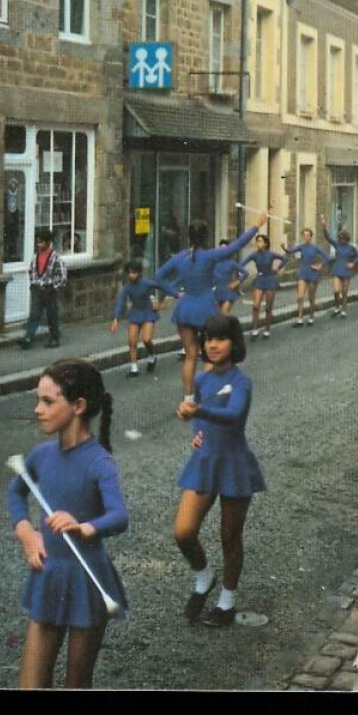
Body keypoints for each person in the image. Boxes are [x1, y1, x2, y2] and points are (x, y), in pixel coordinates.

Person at [7, 360, 128, 689]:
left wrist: (85, 526)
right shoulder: (41, 455)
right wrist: (26, 533)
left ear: (78, 406)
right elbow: (16, 493)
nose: (38, 410)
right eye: (38, 400)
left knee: (76, 683)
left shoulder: (99, 461)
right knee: (30, 685)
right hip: (49, 576)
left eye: (48, 402)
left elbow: (119, 515)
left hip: (87, 580)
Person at [174, 314, 266, 627]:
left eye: (220, 339)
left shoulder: (242, 382)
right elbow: (198, 416)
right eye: (208, 339)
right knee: (183, 532)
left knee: (230, 536)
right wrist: (196, 430)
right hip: (206, 460)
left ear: (233, 343)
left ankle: (226, 602)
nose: (212, 345)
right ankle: (203, 576)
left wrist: (200, 411)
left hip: (234, 462)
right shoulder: (200, 380)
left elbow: (234, 414)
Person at [153, 215, 267, 399]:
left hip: (185, 307)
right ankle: (206, 395)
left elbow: (157, 277)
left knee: (190, 356)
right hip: (206, 308)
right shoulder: (209, 256)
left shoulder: (179, 258)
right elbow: (235, 246)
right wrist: (256, 225)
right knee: (209, 355)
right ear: (206, 237)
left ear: (188, 236)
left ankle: (188, 398)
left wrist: (175, 293)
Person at [111, 260, 178, 378]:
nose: (131, 275)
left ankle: (152, 356)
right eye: (129, 273)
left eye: (134, 272)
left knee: (146, 339)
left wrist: (175, 295)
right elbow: (121, 301)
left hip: (147, 312)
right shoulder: (127, 287)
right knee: (132, 341)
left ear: (139, 273)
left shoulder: (146, 283)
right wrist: (116, 318)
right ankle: (134, 368)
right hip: (135, 313)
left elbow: (162, 286)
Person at [18, 228, 67, 350]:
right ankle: (28, 338)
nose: (38, 244)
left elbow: (62, 276)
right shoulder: (36, 257)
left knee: (52, 315)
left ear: (48, 242)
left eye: (41, 242)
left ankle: (55, 338)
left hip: (49, 290)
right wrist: (34, 283)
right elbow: (32, 271)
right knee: (34, 314)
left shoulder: (56, 258)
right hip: (37, 290)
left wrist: (53, 286)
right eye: (37, 242)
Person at [282, 228, 333, 326]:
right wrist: (284, 248)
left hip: (313, 273)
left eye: (308, 235)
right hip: (303, 272)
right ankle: (300, 319)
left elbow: (328, 258)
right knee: (300, 297)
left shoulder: (315, 247)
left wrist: (320, 265)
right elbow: (289, 251)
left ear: (311, 237)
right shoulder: (301, 246)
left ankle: (311, 317)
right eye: (304, 235)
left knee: (311, 297)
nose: (306, 238)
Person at [240, 235, 287, 339]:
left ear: (265, 243)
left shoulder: (271, 254)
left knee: (268, 307)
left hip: (270, 279)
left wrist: (277, 268)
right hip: (260, 279)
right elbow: (242, 263)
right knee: (256, 306)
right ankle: (255, 329)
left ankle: (267, 329)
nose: (258, 243)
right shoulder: (254, 255)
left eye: (260, 241)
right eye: (257, 241)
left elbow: (284, 258)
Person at [321, 216, 358, 318]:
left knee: (344, 291)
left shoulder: (351, 247)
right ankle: (336, 307)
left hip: (347, 270)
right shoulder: (337, 244)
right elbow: (327, 238)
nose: (342, 240)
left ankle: (344, 310)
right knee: (336, 290)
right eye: (340, 238)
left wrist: (353, 263)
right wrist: (324, 226)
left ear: (347, 239)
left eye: (343, 238)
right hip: (337, 269)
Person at [212, 241, 250, 318]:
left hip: (228, 292)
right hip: (216, 292)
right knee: (216, 318)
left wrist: (237, 282)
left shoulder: (231, 263)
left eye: (225, 248)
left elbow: (245, 273)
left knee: (223, 315)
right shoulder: (214, 262)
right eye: (220, 248)